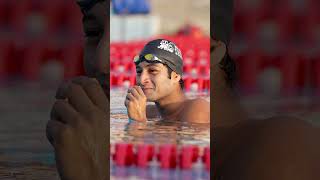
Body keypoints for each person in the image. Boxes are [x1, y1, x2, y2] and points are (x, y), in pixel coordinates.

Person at [125, 39, 210, 123]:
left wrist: (138, 122)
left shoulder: (198, 109)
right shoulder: (148, 112)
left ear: (175, 76)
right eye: (139, 72)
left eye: (153, 71)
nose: (142, 80)